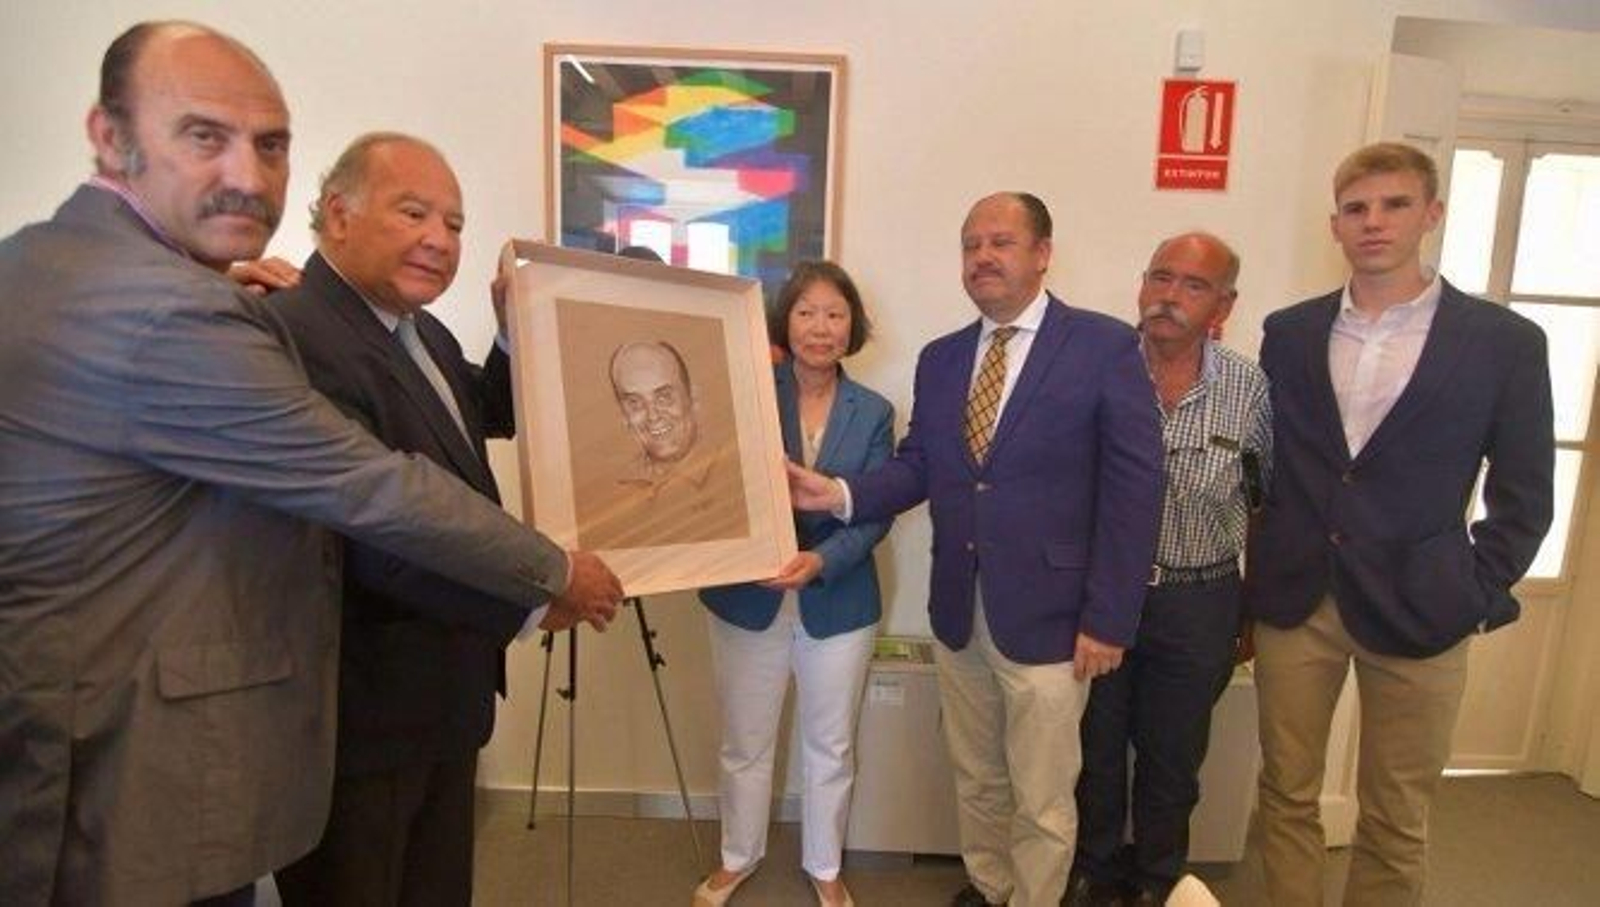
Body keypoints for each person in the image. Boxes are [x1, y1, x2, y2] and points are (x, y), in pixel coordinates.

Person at [0, 22, 621, 906]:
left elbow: (475, 418)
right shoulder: (256, 322)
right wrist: (552, 578)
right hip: (197, 746)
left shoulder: (372, 322)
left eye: (271, 144)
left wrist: (522, 331)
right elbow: (376, 496)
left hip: (419, 698)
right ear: (111, 136)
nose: (247, 174)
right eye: (204, 136)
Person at [788, 193, 1164, 907]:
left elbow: (1134, 489)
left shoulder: (1104, 346)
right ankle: (991, 888)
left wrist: (1111, 618)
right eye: (971, 245)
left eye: (1002, 242)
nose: (984, 257)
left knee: (1044, 794)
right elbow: (919, 466)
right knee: (979, 775)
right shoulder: (943, 357)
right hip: (961, 609)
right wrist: (837, 493)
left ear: (1042, 252)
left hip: (1054, 620)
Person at [1246, 142, 1554, 905]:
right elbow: (1269, 462)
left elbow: (1525, 490)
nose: (1374, 222)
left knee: (1395, 814)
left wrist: (1476, 587)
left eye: (1394, 204)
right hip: (1298, 602)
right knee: (1285, 794)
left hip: (1425, 605)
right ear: (1336, 224)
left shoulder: (1503, 343)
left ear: (1432, 214)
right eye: (1357, 209)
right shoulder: (1288, 331)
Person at [265, 132, 559, 906]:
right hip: (360, 715)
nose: (440, 239)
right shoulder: (298, 335)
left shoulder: (419, 328)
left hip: (441, 697)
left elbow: (484, 412)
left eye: (455, 224)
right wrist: (537, 596)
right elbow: (378, 537)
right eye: (414, 212)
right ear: (338, 215)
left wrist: (510, 329)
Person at [1066, 233, 1271, 907]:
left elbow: (1265, 500)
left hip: (1199, 598)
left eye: (1192, 285)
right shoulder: (1098, 365)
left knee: (1173, 754)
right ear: (1140, 283)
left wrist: (1249, 611)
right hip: (1102, 598)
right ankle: (1092, 866)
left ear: (1223, 304)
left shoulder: (1247, 386)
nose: (1168, 297)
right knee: (1094, 746)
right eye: (1160, 277)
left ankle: (1158, 875)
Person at [693, 261, 895, 907]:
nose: (820, 327)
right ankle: (737, 855)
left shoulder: (875, 411)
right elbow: (715, 483)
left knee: (830, 744)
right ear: (785, 319)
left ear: (852, 326)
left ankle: (825, 864)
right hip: (748, 593)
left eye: (835, 313)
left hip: (838, 597)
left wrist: (821, 560)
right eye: (806, 311)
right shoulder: (745, 387)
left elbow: (874, 510)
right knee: (744, 738)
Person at [581, 339, 748, 549]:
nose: (652, 416)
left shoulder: (739, 472)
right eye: (635, 403)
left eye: (664, 397)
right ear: (624, 415)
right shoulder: (608, 496)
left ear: (692, 398)